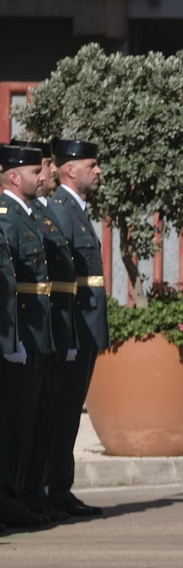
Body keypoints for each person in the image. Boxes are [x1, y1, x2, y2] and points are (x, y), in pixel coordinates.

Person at [34, 139, 106, 518]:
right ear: (70, 170)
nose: (99, 171)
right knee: (60, 414)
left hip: (85, 331)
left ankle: (60, 488)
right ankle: (51, 490)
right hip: (73, 332)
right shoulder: (61, 211)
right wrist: (72, 338)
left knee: (68, 414)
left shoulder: (75, 210)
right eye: (92, 165)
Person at [0, 143, 57, 528]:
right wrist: (13, 338)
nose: (43, 176)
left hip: (35, 331)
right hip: (19, 331)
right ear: (15, 176)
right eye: (36, 171)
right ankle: (10, 500)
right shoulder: (7, 217)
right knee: (13, 425)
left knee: (27, 423)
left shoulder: (30, 215)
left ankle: (19, 498)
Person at [24, 143, 78, 522]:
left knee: (46, 419)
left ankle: (38, 494)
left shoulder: (42, 213)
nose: (48, 174)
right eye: (41, 166)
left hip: (49, 329)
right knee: (26, 422)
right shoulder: (20, 214)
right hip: (30, 331)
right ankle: (28, 495)